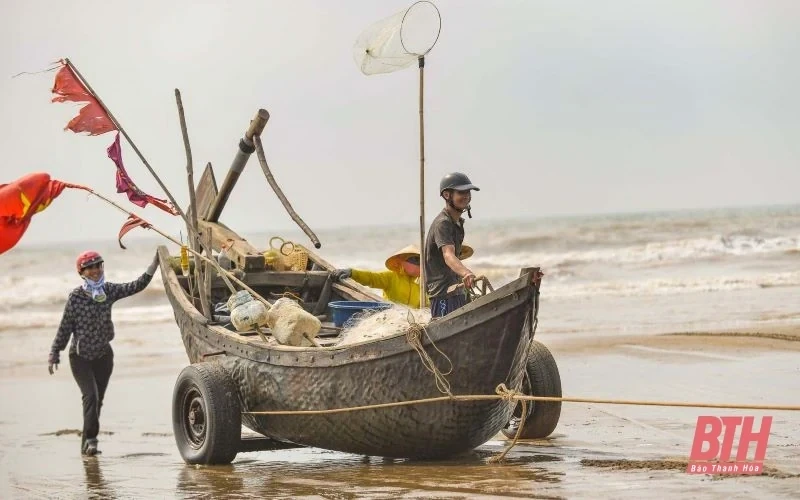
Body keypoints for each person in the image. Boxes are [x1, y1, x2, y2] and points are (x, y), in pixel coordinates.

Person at [48, 250, 160, 456]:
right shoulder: (75, 297)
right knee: (90, 396)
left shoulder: (108, 291)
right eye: (90, 267)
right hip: (80, 358)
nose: (95, 270)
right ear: (81, 272)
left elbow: (136, 286)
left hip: (104, 356)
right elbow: (65, 327)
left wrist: (154, 265)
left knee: (97, 400)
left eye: (98, 265)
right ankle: (91, 439)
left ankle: (88, 442)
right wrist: (55, 352)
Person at [333, 245, 475, 309]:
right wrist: (352, 273)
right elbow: (371, 278)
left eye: (420, 261)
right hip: (392, 318)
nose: (419, 265)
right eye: (413, 261)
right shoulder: (391, 277)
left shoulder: (428, 281)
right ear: (402, 263)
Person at [425, 172, 480, 318]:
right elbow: (448, 254)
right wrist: (466, 273)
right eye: (461, 192)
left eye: (468, 192)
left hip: (457, 290)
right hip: (443, 294)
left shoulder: (457, 223)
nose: (466, 196)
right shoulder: (443, 223)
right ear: (447, 195)